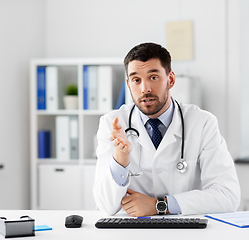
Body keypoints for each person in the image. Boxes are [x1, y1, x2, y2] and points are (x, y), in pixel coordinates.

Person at [93, 42, 240, 217]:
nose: (145, 89)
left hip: (185, 229)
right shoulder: (111, 124)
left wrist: (160, 205)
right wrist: (120, 158)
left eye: (153, 77)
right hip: (132, 230)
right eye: (136, 80)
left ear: (170, 79)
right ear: (128, 84)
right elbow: (105, 206)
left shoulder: (202, 123)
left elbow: (228, 196)